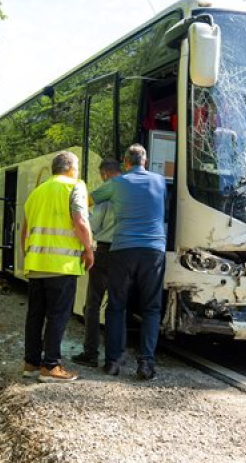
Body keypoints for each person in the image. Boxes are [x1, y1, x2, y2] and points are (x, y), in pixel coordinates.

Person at [91, 143, 166, 380]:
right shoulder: (160, 181)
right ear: (145, 161)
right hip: (153, 250)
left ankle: (113, 362)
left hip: (122, 249)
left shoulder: (116, 183)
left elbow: (91, 199)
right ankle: (146, 364)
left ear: (125, 163)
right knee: (151, 308)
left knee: (116, 305)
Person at [21, 151, 95, 383]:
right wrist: (89, 248)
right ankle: (51, 366)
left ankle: (31, 363)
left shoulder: (36, 193)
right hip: (61, 265)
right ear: (71, 168)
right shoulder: (75, 186)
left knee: (35, 315)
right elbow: (80, 220)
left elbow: (24, 232)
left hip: (36, 264)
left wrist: (31, 256)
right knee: (58, 315)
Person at [71, 158, 121, 368]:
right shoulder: (131, 195)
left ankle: (91, 353)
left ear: (105, 174)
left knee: (92, 305)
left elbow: (91, 225)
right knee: (117, 306)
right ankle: (115, 358)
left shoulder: (105, 197)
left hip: (105, 251)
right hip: (126, 254)